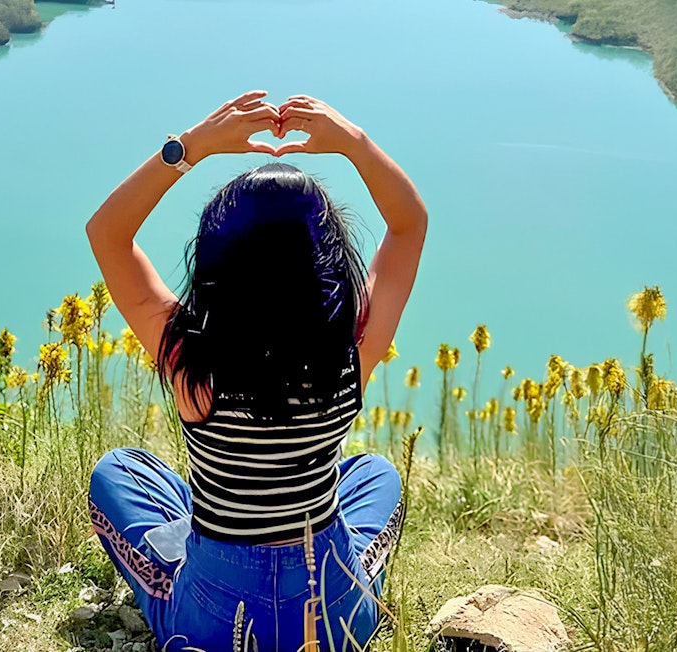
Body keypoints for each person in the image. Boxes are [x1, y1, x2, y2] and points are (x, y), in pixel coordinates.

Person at [85, 91, 426, 652]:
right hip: (333, 621)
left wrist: (189, 147)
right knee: (376, 476)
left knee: (118, 473)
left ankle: (183, 568)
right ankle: (357, 587)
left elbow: (107, 233)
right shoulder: (348, 353)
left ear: (216, 260)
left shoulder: (190, 360)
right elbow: (409, 225)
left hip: (216, 625)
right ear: (330, 258)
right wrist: (353, 143)